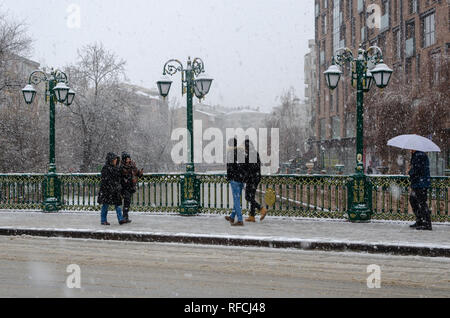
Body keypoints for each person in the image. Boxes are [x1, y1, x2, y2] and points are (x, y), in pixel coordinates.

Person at [98, 153, 129, 226]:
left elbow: (119, 177)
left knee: (117, 205)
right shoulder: (106, 168)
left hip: (114, 189)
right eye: (115, 159)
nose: (116, 161)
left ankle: (120, 219)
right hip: (107, 190)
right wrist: (112, 185)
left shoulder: (116, 168)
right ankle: (103, 220)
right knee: (105, 205)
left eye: (116, 159)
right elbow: (105, 180)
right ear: (111, 160)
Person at [243, 140, 267, 222]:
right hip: (255, 178)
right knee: (252, 196)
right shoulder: (253, 153)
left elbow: (249, 168)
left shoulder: (251, 154)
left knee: (247, 196)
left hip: (252, 178)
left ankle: (261, 209)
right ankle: (252, 216)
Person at [408, 150, 432, 231]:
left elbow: (417, 169)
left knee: (421, 203)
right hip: (420, 183)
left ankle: (427, 223)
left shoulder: (419, 155)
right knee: (414, 200)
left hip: (421, 183)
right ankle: (420, 220)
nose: (410, 149)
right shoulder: (417, 155)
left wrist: (410, 171)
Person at [225, 138, 246, 226]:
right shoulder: (241, 153)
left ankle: (240, 220)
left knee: (236, 200)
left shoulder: (230, 153)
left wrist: (229, 177)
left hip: (234, 179)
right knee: (237, 198)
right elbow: (245, 166)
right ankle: (232, 216)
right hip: (241, 179)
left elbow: (230, 167)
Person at [120, 152, 144, 223]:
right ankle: (124, 216)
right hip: (124, 186)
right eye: (127, 158)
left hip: (131, 186)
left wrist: (140, 173)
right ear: (124, 159)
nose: (129, 159)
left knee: (128, 201)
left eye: (129, 158)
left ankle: (125, 216)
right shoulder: (121, 166)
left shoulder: (132, 165)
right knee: (126, 200)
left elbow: (137, 173)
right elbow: (121, 175)